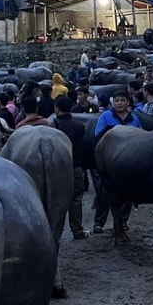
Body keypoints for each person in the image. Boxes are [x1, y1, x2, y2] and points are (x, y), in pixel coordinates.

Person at [93, 90, 142, 234]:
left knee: (128, 193)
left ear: (128, 102)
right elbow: (98, 136)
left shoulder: (134, 119)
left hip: (128, 161)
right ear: (113, 102)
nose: (119, 103)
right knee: (105, 192)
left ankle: (122, 221)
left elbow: (141, 137)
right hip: (109, 161)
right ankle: (99, 222)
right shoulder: (106, 117)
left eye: (122, 100)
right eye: (117, 101)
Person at [52, 96, 89, 240]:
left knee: (56, 200)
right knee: (75, 200)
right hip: (75, 167)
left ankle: (55, 231)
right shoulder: (80, 126)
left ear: (57, 109)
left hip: (56, 169)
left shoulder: (51, 127)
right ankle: (77, 230)